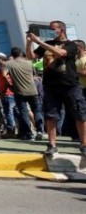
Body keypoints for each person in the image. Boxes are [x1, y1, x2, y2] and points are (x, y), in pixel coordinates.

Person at [26, 21, 86, 157]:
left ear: (62, 30)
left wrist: (39, 42)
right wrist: (30, 42)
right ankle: (52, 145)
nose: (50, 31)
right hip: (51, 85)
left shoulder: (72, 45)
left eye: (53, 29)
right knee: (51, 115)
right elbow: (31, 57)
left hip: (70, 84)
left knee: (80, 113)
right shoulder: (47, 43)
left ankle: (84, 144)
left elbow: (60, 53)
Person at [4, 47, 43, 141]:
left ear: (12, 55)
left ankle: (29, 133)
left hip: (19, 91)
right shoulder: (29, 62)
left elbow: (4, 74)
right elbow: (34, 75)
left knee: (23, 112)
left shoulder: (9, 64)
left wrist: (10, 84)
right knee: (36, 110)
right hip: (33, 90)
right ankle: (40, 130)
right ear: (21, 53)